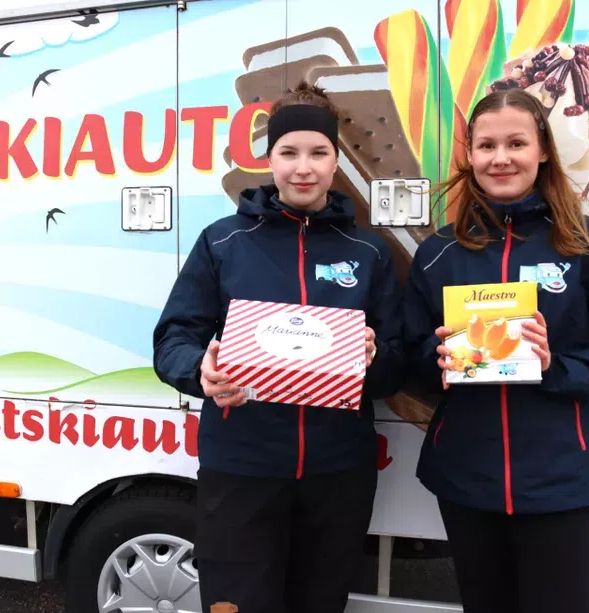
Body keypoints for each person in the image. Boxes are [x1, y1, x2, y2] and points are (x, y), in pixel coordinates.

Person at [401, 88, 589, 613]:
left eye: (516, 143)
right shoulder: (438, 253)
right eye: (487, 146)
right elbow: (409, 356)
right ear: (471, 155)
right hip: (465, 478)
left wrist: (555, 366)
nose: (501, 158)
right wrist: (435, 360)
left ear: (543, 150)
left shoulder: (588, 243)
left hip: (560, 479)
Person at [152, 81, 406, 613]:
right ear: (269, 159)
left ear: (336, 161)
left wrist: (376, 358)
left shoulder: (368, 252)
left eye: (318, 153)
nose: (303, 168)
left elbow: (401, 359)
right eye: (289, 153)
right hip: (241, 468)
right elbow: (174, 337)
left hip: (337, 473)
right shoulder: (223, 241)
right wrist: (199, 369)